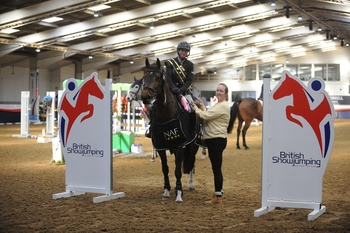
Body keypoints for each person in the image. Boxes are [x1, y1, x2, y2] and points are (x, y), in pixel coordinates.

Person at [189, 83, 230, 204]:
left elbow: (205, 116)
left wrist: (195, 108)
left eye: (221, 91)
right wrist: (202, 106)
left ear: (226, 93)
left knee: (216, 169)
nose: (218, 92)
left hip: (216, 140)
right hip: (215, 139)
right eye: (217, 90)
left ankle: (218, 197)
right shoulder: (218, 105)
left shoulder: (222, 106)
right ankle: (218, 193)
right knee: (216, 168)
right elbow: (208, 117)